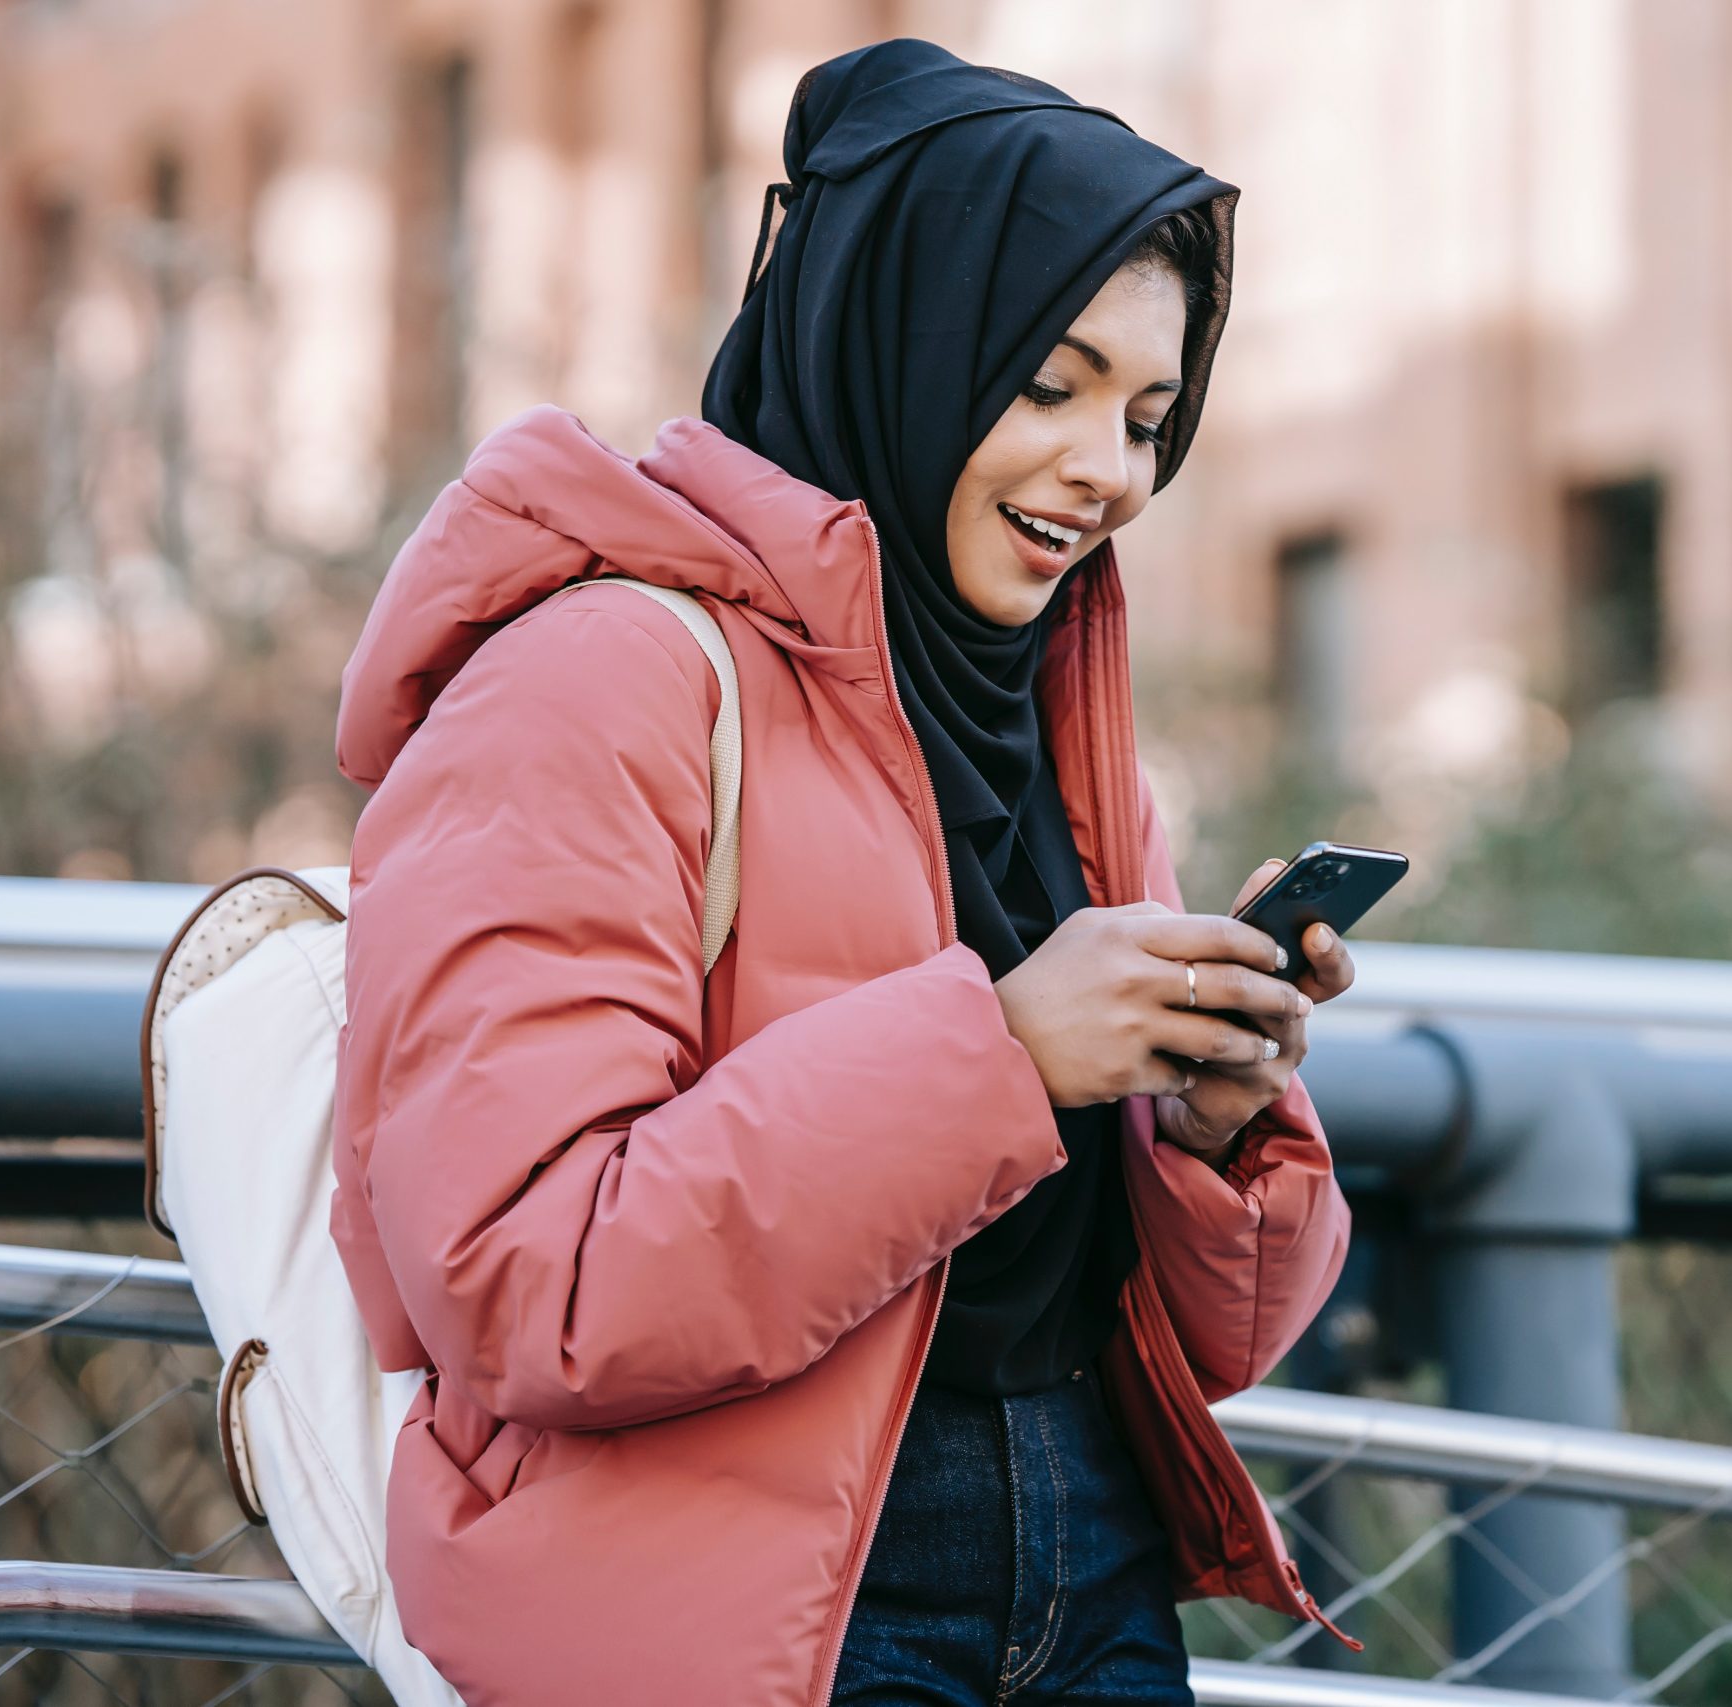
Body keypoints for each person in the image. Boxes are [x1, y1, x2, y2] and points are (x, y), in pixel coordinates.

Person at [327, 37, 1355, 1707]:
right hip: (745, 1604)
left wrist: (1208, 1123)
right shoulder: (599, 679)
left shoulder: (1056, 719)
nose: (1113, 470)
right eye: (1052, 386)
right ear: (902, 333)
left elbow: (1216, 1346)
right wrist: (1008, 1056)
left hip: (1090, 1554)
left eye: (1152, 417)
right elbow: (530, 1282)